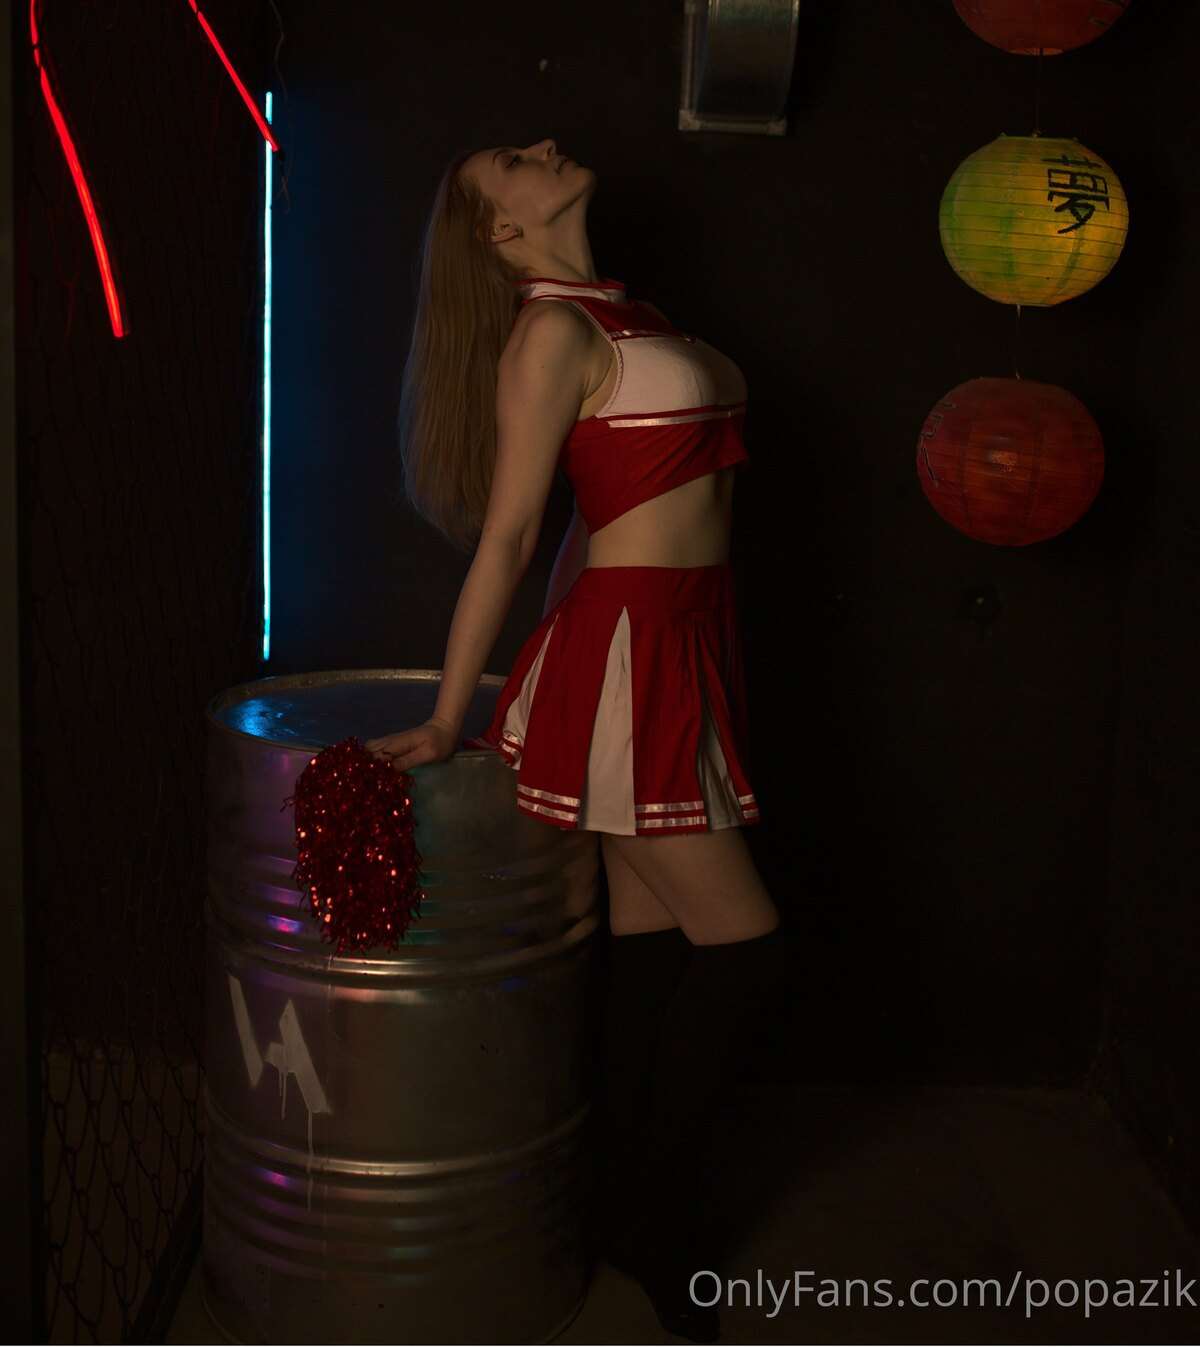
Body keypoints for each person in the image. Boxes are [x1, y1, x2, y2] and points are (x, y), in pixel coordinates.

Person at [364, 137, 788, 1343]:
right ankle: (663, 1222)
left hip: (678, 641)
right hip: (633, 655)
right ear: (499, 231)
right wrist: (452, 714)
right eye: (514, 159)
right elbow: (511, 534)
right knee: (748, 952)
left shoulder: (621, 315)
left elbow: (595, 518)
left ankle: (601, 1204)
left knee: (645, 953)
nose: (546, 148)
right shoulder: (550, 333)